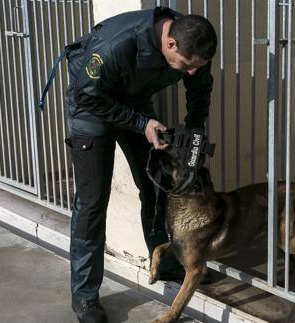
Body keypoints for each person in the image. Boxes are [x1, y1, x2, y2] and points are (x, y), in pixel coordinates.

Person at [62, 7, 217, 323]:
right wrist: (140, 122)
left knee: (157, 187)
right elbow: (87, 94)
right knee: (92, 202)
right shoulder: (116, 44)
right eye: (186, 66)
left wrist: (195, 131)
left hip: (135, 105)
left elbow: (199, 87)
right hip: (91, 107)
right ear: (170, 44)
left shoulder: (196, 44)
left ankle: (166, 263)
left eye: (196, 67)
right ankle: (85, 296)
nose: (190, 72)